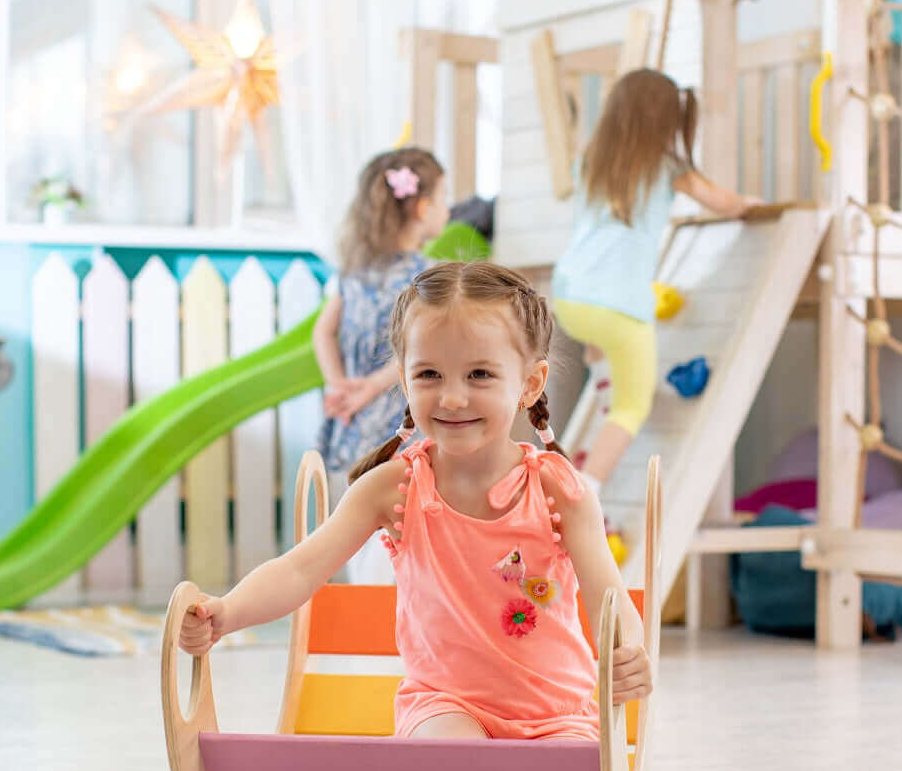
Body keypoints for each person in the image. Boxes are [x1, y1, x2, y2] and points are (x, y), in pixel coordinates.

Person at [185, 262, 652, 740]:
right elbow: (300, 569)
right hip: (444, 705)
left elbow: (609, 597)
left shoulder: (559, 491)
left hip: (559, 713)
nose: (452, 398)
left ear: (530, 385)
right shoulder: (393, 487)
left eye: (479, 374)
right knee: (451, 760)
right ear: (405, 382)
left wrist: (628, 652)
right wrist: (227, 612)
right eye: (429, 374)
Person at [551, 68, 759, 494]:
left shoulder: (588, 163)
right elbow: (724, 203)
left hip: (570, 296)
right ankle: (586, 491)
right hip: (618, 305)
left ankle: (602, 389)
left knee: (603, 352)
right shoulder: (667, 168)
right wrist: (747, 204)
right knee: (632, 406)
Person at [313, 147, 447, 583]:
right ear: (423, 207)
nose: (447, 209)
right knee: (398, 525)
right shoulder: (427, 279)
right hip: (399, 422)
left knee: (357, 523)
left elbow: (323, 333)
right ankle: (386, 609)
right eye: (444, 198)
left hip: (354, 420)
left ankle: (367, 604)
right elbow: (423, 348)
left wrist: (339, 386)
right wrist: (370, 386)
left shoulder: (354, 272)